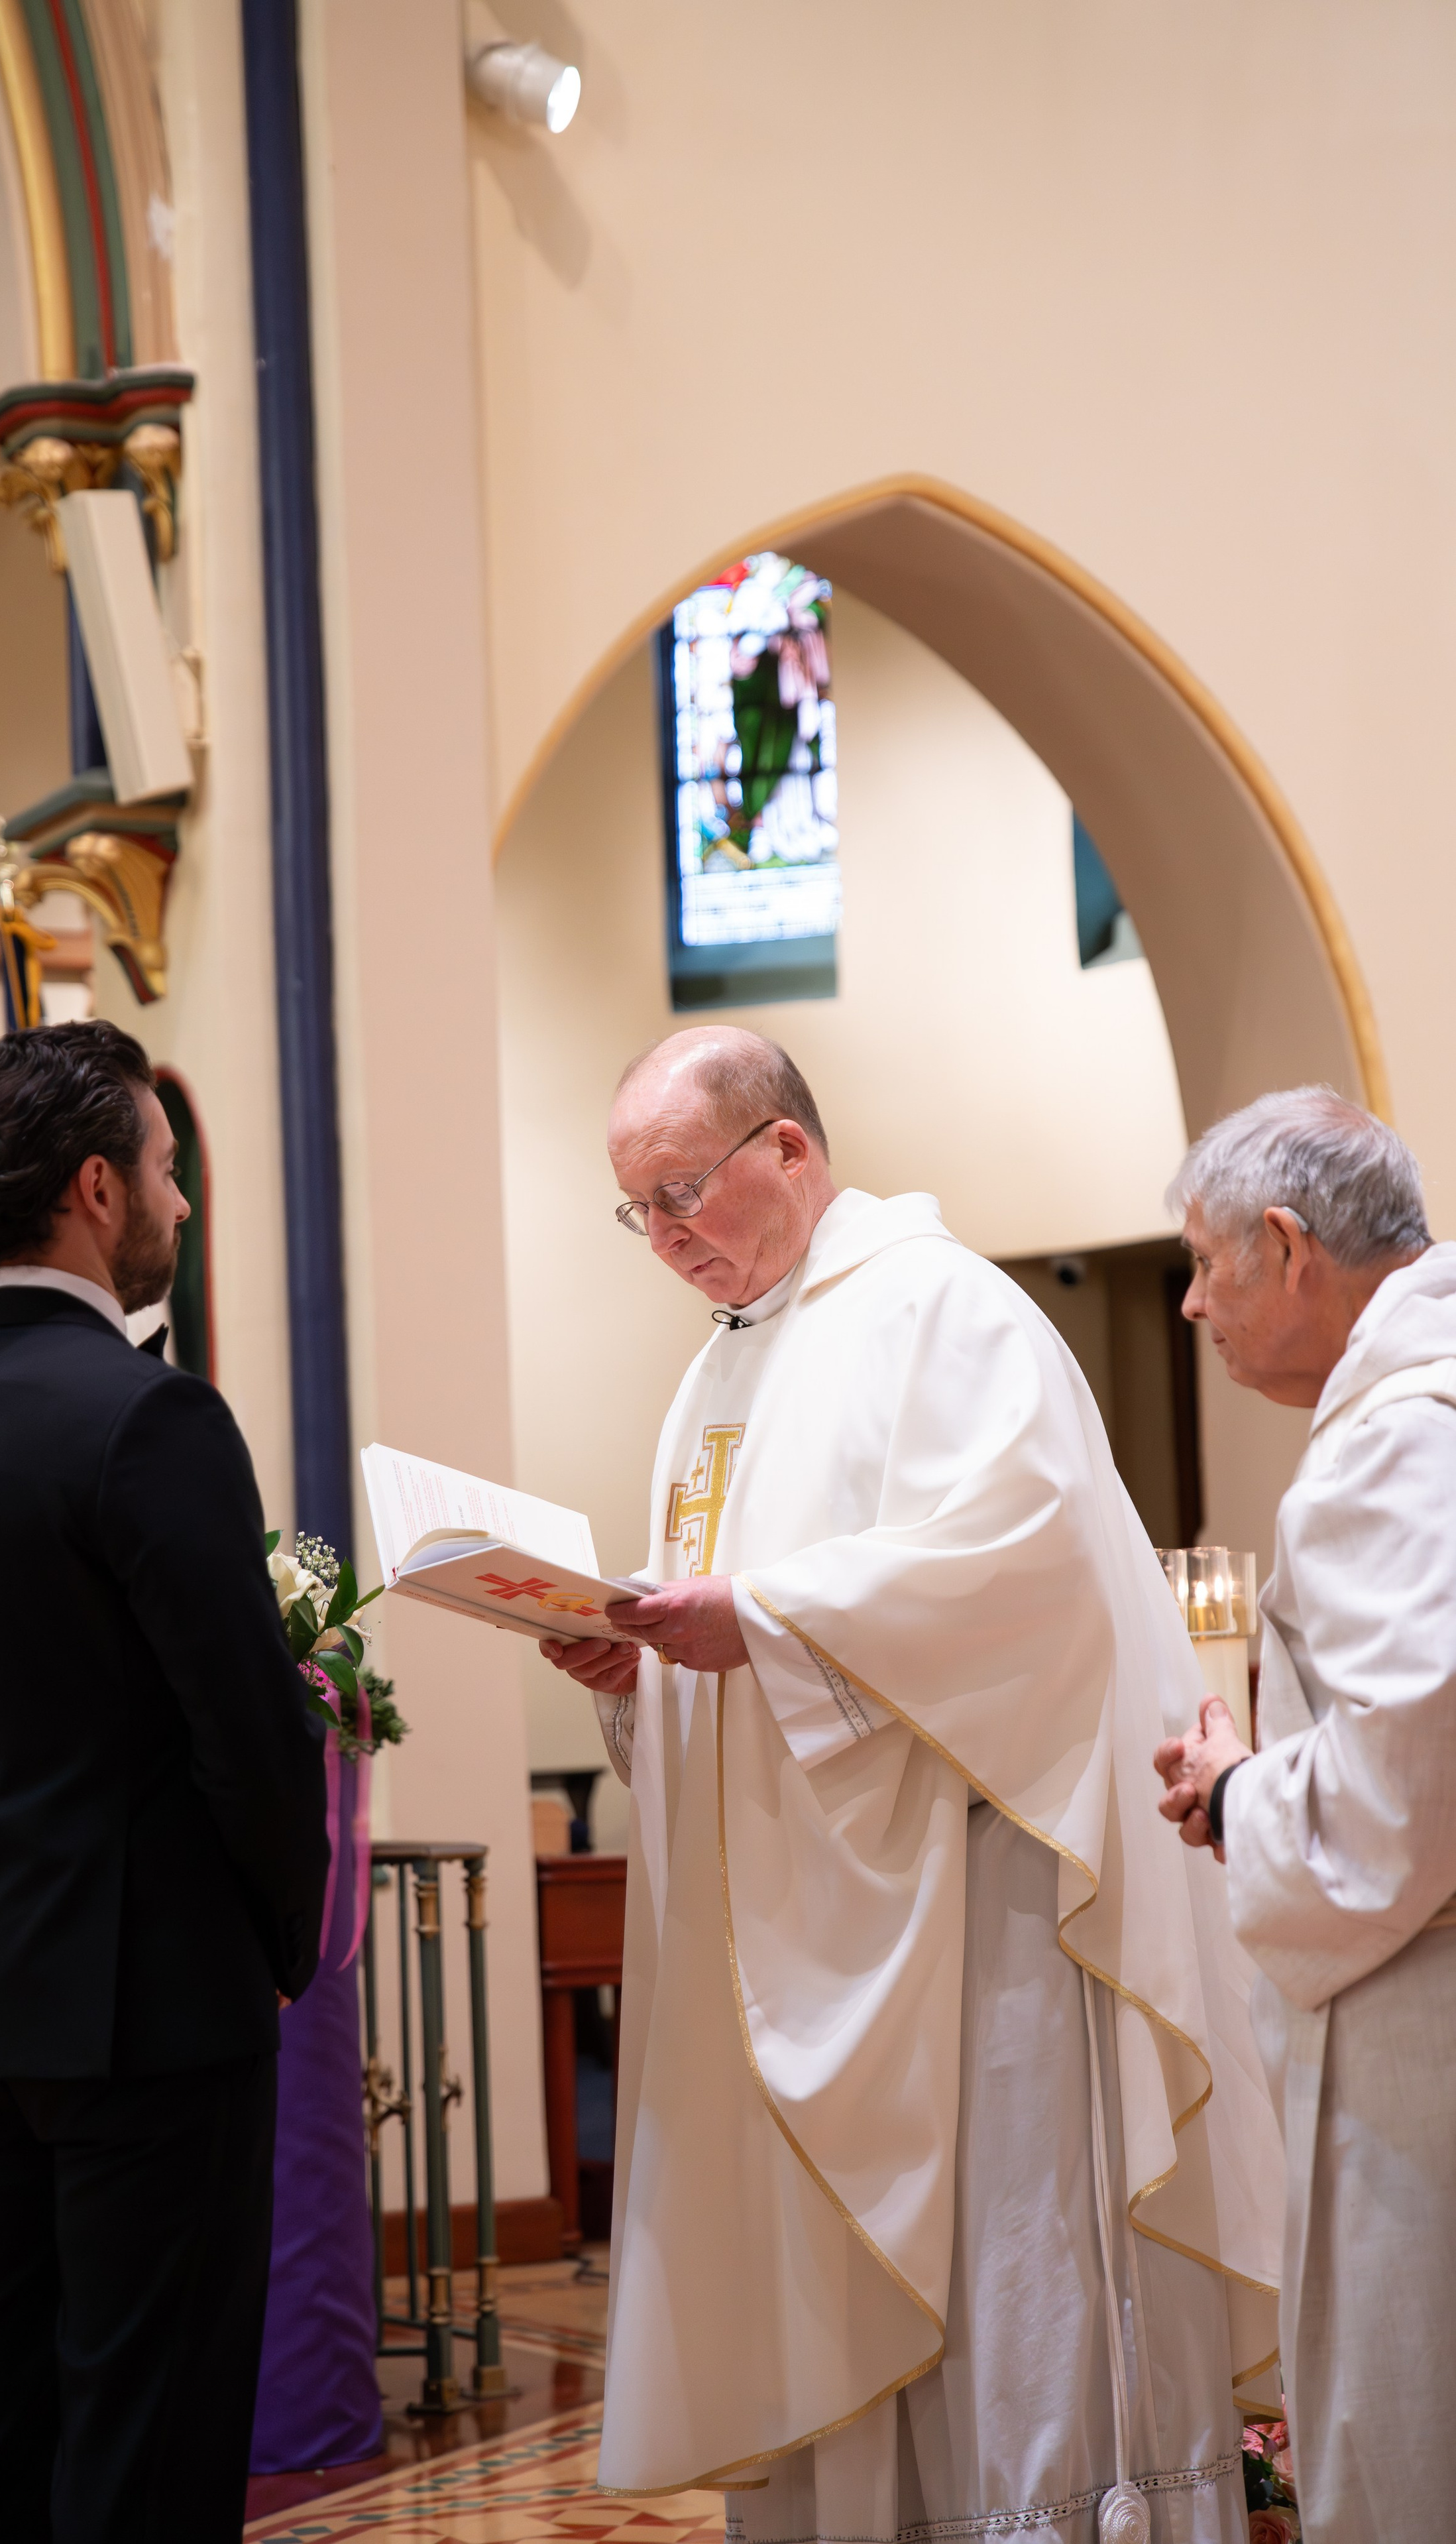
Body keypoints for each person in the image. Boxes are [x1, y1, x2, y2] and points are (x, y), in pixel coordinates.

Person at [541, 1025, 1282, 2544]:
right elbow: (720, 1633)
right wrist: (642, 1670)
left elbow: (1022, 1565)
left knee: (1005, 2279)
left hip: (979, 1917)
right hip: (801, 1931)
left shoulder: (940, 1308)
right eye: (637, 1209)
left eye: (680, 1190)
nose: (664, 1233)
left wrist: (759, 1620)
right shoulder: (714, 1371)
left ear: (786, 1148)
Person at [0, 1021, 327, 2544]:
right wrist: (279, 1941)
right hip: (149, 2004)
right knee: (147, 2438)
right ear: (97, 1189)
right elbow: (249, 1730)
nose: (180, 1202)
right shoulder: (147, 1412)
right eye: (167, 1170)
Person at [1152, 1085, 1454, 2544]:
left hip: (1423, 2026)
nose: (1193, 1304)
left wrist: (1232, 1789)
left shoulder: (1396, 1441)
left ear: (1285, 1246)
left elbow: (1405, 1783)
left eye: (1205, 1263)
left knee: (1411, 2442)